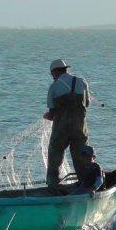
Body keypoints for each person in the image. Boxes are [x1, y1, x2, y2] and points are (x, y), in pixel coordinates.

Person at [43, 58, 91, 190]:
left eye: (52, 74)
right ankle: (86, 184)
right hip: (80, 128)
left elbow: (52, 113)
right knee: (81, 155)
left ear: (55, 72)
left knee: (55, 154)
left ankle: (53, 185)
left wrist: (49, 116)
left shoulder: (53, 87)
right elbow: (87, 104)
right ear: (66, 69)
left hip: (61, 129)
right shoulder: (81, 81)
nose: (52, 76)